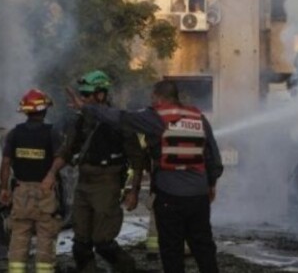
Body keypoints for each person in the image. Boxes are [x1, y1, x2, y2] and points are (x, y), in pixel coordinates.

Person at [70, 80, 224, 273]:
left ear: (158, 97)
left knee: (171, 249)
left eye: (152, 97)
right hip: (198, 196)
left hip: (170, 196)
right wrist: (211, 184)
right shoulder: (199, 118)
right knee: (204, 247)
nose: (151, 101)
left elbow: (119, 117)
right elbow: (213, 158)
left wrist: (86, 108)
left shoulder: (155, 117)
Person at [46, 70, 145, 273]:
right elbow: (67, 151)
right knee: (80, 244)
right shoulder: (80, 121)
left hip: (107, 183)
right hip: (84, 183)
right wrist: (50, 174)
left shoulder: (120, 121)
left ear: (100, 95)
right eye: (81, 94)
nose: (82, 98)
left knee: (103, 242)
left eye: (87, 94)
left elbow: (138, 160)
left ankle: (128, 269)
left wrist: (134, 191)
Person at [0, 89, 63, 273]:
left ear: (26, 111)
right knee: (45, 235)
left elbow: (5, 163)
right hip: (45, 191)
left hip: (21, 192)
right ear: (44, 111)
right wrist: (51, 174)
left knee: (19, 234)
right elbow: (61, 158)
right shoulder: (52, 133)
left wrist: (4, 188)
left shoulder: (14, 134)